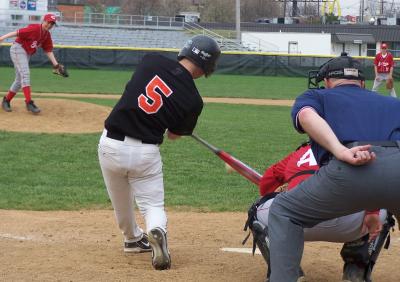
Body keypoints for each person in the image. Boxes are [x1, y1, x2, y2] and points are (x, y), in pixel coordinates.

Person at [266, 53, 400, 282]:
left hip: (347, 172)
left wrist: (339, 149)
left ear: (327, 82)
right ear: (362, 82)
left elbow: (306, 116)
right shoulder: (393, 102)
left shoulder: (317, 95)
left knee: (284, 212)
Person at [97, 35, 221, 270]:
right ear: (207, 68)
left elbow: (133, 87)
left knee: (121, 201)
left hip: (110, 146)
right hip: (145, 152)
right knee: (152, 205)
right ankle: (157, 229)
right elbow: (174, 135)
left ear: (185, 51)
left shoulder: (151, 61)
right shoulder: (194, 101)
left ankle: (132, 239)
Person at [246, 142, 387, 282]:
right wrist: (372, 212)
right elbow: (376, 184)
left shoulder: (300, 153)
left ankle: (287, 272)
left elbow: (265, 187)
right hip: (349, 224)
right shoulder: (356, 150)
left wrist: (286, 191)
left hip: (297, 222)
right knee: (385, 201)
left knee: (256, 211)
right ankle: (356, 271)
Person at [0, 13, 62, 114]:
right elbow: (17, 33)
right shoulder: (34, 28)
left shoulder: (47, 35)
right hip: (18, 49)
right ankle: (29, 102)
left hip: (26, 54)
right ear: (44, 21)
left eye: (52, 24)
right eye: (49, 22)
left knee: (19, 80)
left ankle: (6, 100)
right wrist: (2, 38)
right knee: (25, 74)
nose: (50, 25)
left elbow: (48, 51)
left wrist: (56, 65)